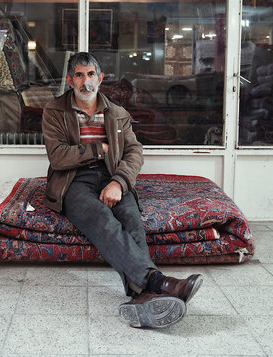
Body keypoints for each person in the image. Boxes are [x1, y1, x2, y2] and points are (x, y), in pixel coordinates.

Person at [42, 52, 203, 328]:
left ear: (100, 78)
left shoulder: (117, 113)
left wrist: (118, 182)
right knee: (102, 219)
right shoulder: (55, 111)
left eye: (90, 74)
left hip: (112, 176)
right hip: (73, 180)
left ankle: (143, 298)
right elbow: (58, 157)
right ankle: (159, 282)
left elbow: (134, 153)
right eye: (78, 75)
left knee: (131, 222)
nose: (85, 81)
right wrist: (98, 148)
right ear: (70, 80)